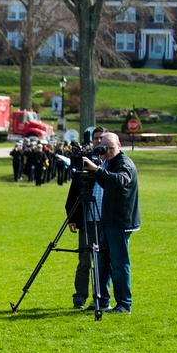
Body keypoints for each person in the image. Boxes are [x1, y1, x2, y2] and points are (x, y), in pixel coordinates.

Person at [82, 132, 140, 314]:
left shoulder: (124, 163)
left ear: (119, 145)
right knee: (102, 261)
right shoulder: (109, 163)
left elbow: (120, 180)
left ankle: (124, 304)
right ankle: (102, 300)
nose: (106, 152)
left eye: (110, 148)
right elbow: (107, 183)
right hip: (108, 220)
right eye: (104, 148)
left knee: (119, 263)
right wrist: (94, 170)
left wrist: (98, 170)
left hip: (121, 221)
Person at [67, 128, 105, 309]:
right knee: (84, 259)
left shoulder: (112, 163)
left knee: (104, 260)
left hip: (106, 220)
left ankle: (101, 298)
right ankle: (79, 297)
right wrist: (72, 217)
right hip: (87, 218)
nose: (99, 142)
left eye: (102, 139)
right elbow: (73, 193)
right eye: (96, 139)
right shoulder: (85, 162)